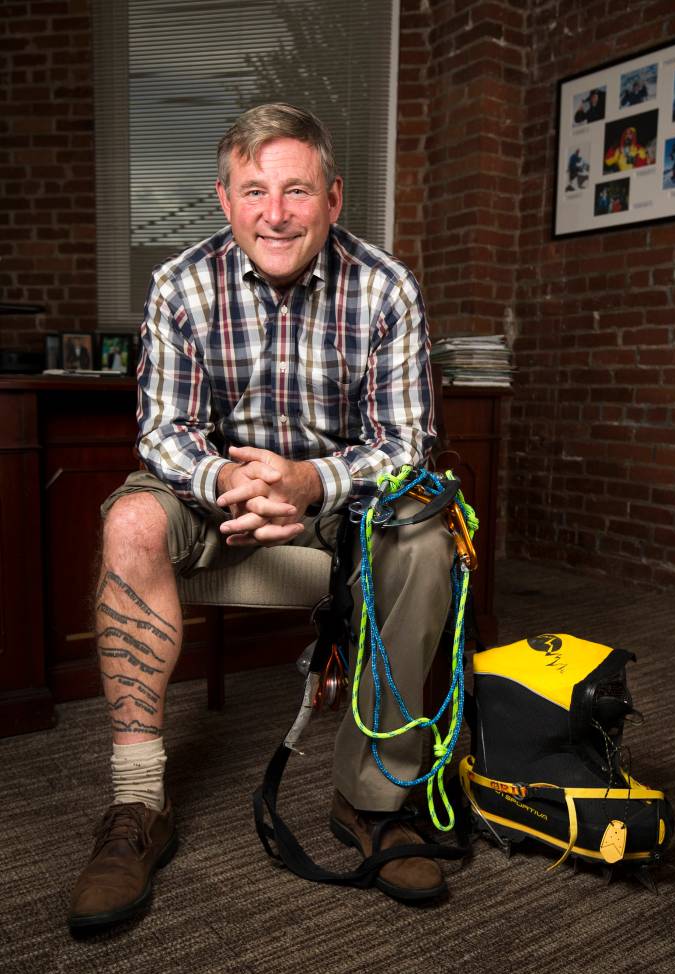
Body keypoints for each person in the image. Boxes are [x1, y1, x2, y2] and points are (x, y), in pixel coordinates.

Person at [68, 103, 455, 929]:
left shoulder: (385, 288)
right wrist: (229, 483)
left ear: (334, 199)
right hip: (216, 496)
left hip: (336, 502)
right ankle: (140, 808)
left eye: (296, 190)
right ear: (224, 200)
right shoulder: (180, 285)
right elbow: (163, 433)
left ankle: (370, 802)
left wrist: (310, 483)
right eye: (253, 191)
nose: (274, 213)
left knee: (424, 536)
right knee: (129, 523)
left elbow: (406, 441)